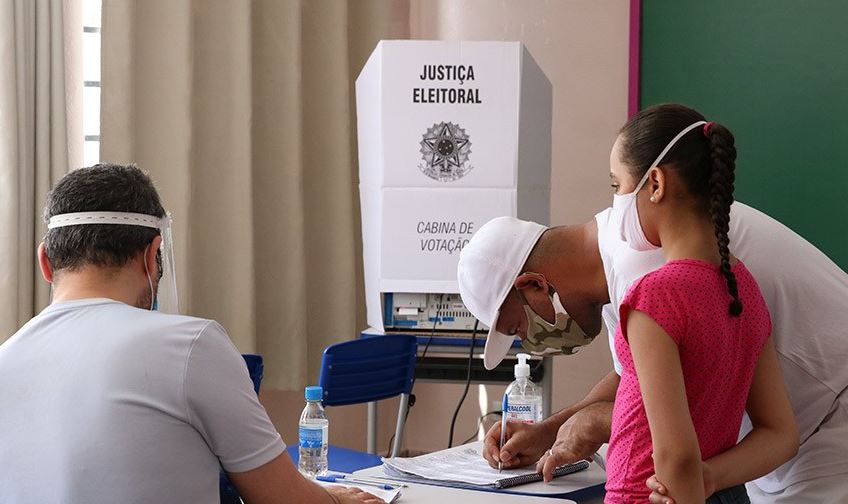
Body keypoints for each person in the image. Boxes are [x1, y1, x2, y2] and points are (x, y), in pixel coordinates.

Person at [458, 112, 848, 501]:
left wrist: (598, 421)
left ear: (533, 285)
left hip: (830, 415)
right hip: (761, 450)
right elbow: (639, 375)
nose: (529, 341)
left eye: (518, 328)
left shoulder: (649, 263)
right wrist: (551, 430)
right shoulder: (630, 261)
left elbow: (680, 407)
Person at [0, 164, 385, 504]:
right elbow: (283, 498)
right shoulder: (191, 344)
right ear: (153, 255)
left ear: (46, 262)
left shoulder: (6, 358)